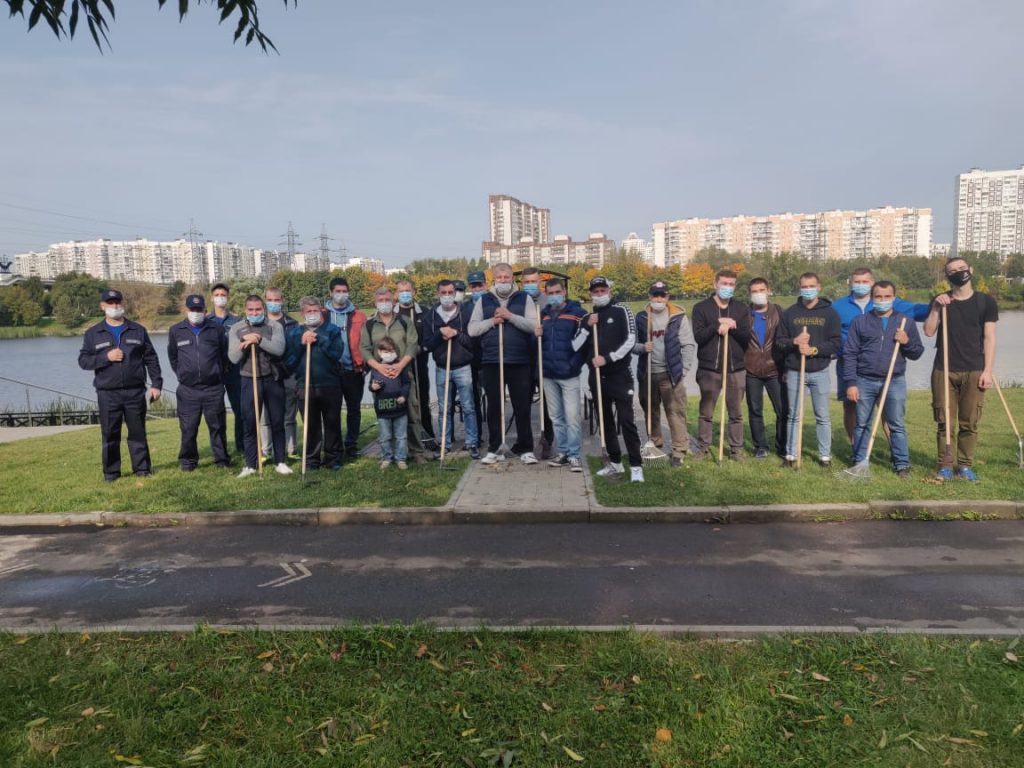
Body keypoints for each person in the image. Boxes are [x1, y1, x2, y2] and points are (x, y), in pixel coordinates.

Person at [923, 256, 999, 482]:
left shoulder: (986, 302)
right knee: (944, 420)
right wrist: (936, 307)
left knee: (970, 421)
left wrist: (988, 370)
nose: (958, 273)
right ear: (947, 276)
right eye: (952, 271)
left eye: (962, 268)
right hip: (944, 369)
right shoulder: (942, 301)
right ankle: (945, 464)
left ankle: (965, 465)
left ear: (970, 270)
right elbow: (928, 331)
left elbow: (990, 338)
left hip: (974, 369)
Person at [833, 267, 929, 442]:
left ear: (872, 282)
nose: (861, 285)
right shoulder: (838, 306)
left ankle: (894, 447)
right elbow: (827, 332)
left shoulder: (885, 300)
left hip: (883, 366)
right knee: (850, 406)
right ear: (850, 283)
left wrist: (939, 304)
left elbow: (918, 310)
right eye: (857, 282)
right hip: (849, 363)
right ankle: (855, 446)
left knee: (886, 407)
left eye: (865, 281)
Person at [78, 288, 163, 482]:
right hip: (108, 393)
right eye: (110, 303)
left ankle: (142, 469)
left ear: (123, 304)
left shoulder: (138, 330)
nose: (115, 306)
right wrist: (105, 357)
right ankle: (111, 473)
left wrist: (156, 384)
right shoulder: (93, 333)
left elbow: (151, 359)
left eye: (118, 303)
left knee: (137, 433)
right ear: (103, 306)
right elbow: (83, 361)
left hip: (135, 391)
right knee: (110, 434)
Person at [843, 281, 924, 478]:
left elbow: (917, 352)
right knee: (862, 423)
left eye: (887, 297)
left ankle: (902, 464)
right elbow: (850, 353)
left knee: (896, 423)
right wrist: (851, 383)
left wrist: (906, 342)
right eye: (878, 297)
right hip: (865, 379)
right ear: (872, 298)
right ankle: (860, 460)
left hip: (894, 380)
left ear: (894, 298)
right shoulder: (860, 322)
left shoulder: (905, 322)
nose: (882, 300)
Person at [468, 262, 539, 465]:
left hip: (519, 361)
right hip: (492, 361)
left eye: (506, 277)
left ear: (512, 279)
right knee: (494, 407)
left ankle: (526, 447)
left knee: (522, 406)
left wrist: (510, 317)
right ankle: (495, 448)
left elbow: (534, 326)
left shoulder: (524, 298)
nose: (503, 281)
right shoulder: (484, 300)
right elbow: (472, 329)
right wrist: (492, 321)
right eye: (499, 278)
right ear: (493, 280)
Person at [581, 276, 644, 481]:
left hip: (620, 375)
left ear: (609, 291)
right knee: (605, 421)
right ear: (590, 294)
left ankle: (636, 465)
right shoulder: (590, 317)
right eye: (595, 291)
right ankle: (615, 463)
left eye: (602, 290)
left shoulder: (622, 310)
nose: (599, 294)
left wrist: (607, 358)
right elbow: (578, 345)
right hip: (598, 378)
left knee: (626, 420)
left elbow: (631, 340)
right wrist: (587, 326)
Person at [776, 272, 842, 468]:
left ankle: (825, 456)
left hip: (820, 371)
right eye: (804, 286)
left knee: (822, 415)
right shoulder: (790, 313)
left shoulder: (830, 313)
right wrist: (794, 342)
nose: (807, 290)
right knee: (794, 415)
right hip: (796, 371)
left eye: (811, 286)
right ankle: (790, 454)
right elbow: (779, 342)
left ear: (819, 287)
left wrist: (814, 350)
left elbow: (836, 343)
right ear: (800, 288)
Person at [227, 294, 291, 478]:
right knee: (249, 423)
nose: (254, 313)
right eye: (251, 310)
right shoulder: (237, 328)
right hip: (249, 379)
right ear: (245, 311)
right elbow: (232, 358)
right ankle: (250, 464)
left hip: (272, 378)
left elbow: (279, 349)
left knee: (277, 421)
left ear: (263, 309)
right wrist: (245, 342)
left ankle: (280, 461)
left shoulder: (274, 326)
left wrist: (259, 340)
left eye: (258, 309)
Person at [691, 269, 751, 460]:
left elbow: (746, 337)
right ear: (715, 284)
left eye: (731, 284)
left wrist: (733, 326)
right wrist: (717, 324)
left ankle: (735, 449)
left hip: (736, 368)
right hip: (710, 369)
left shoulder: (741, 309)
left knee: (736, 412)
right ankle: (703, 447)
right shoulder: (701, 308)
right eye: (724, 283)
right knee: (706, 411)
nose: (727, 287)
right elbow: (699, 337)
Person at [360, 286, 424, 462]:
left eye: (387, 300)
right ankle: (390, 453)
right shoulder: (370, 324)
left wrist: (400, 366)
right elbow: (364, 349)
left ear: (393, 301)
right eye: (380, 300)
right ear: (375, 302)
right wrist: (379, 368)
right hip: (380, 379)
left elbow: (412, 344)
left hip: (403, 375)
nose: (384, 303)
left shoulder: (404, 322)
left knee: (411, 413)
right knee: (386, 416)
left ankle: (416, 451)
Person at [635, 280, 696, 466]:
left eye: (662, 295)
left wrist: (683, 370)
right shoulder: (642, 317)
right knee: (650, 411)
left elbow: (688, 345)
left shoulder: (678, 317)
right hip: (648, 373)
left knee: (675, 412)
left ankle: (679, 450)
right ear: (649, 296)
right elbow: (632, 344)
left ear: (668, 297)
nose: (658, 299)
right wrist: (641, 347)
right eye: (655, 295)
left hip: (670, 375)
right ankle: (655, 443)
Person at [167, 294, 230, 472]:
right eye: (192, 309)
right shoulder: (176, 330)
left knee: (217, 426)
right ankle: (188, 462)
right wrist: (183, 373)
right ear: (186, 310)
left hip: (213, 388)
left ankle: (221, 460)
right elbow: (173, 356)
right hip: (188, 390)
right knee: (188, 428)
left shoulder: (216, 329)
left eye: (199, 309)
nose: (196, 312)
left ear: (205, 309)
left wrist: (217, 373)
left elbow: (224, 356)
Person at [421, 279, 480, 459]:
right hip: (442, 368)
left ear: (455, 293)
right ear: (438, 294)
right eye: (443, 293)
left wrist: (456, 334)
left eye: (450, 292)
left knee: (468, 407)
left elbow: (472, 343)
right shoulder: (430, 316)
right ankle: (445, 444)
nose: (447, 296)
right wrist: (440, 334)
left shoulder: (466, 313)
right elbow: (426, 345)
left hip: (463, 367)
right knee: (443, 408)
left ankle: (472, 443)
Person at [286, 296, 345, 471]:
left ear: (321, 312)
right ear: (302, 313)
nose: (312, 314)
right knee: (311, 425)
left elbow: (337, 354)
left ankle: (333, 458)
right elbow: (289, 361)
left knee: (332, 422)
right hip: (305, 386)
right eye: (308, 311)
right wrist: (302, 343)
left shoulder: (332, 330)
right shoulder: (295, 333)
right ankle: (312, 460)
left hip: (330, 384)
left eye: (315, 311)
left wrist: (319, 339)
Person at [536, 277, 588, 471]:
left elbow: (584, 344)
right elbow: (539, 346)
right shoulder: (544, 315)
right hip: (548, 374)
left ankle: (575, 455)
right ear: (546, 294)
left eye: (558, 292)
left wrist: (573, 365)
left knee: (572, 417)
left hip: (569, 374)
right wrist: (537, 336)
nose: (555, 296)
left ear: (564, 292)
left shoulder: (577, 314)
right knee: (556, 417)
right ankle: (563, 452)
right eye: (550, 293)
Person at [744, 277, 788, 459]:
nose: (758, 294)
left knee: (782, 409)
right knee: (755, 410)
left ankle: (782, 445)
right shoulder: (744, 314)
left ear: (768, 290)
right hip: (751, 369)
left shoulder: (779, 312)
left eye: (761, 290)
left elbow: (786, 338)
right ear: (749, 294)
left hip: (774, 368)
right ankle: (760, 446)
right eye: (754, 291)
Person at [325, 277, 367, 460]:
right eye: (338, 291)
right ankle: (334, 446)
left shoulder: (359, 315)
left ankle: (351, 444)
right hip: (330, 371)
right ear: (331, 293)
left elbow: (366, 342)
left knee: (354, 409)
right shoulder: (322, 315)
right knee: (331, 411)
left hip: (353, 370)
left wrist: (364, 366)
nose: (341, 295)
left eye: (344, 291)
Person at [396, 279, 436, 449]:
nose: (405, 293)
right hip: (399, 367)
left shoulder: (424, 312)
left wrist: (422, 348)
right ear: (396, 293)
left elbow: (432, 338)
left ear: (413, 292)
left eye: (408, 290)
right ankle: (404, 441)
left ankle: (428, 438)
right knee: (402, 402)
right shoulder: (392, 314)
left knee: (422, 401)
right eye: (401, 291)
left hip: (419, 364)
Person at [520, 266, 555, 458]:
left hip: (543, 359)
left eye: (534, 281)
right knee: (522, 404)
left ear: (540, 282)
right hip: (523, 360)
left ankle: (547, 440)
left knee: (547, 404)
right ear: (522, 283)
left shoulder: (548, 302)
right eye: (527, 282)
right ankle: (524, 443)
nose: (530, 285)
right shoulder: (518, 300)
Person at [261, 286, 299, 460]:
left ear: (282, 300)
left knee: (289, 415)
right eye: (270, 300)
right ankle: (266, 451)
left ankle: (290, 449)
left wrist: (288, 367)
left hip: (288, 374)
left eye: (276, 300)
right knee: (266, 416)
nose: (273, 303)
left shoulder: (292, 324)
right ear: (265, 301)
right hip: (266, 375)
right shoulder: (259, 324)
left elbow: (296, 350)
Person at [209, 281, 243, 454]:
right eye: (217, 295)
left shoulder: (237, 320)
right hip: (214, 374)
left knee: (240, 410)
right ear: (212, 298)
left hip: (234, 373)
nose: (220, 298)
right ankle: (220, 451)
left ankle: (242, 446)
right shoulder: (207, 321)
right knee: (216, 413)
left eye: (223, 295)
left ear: (228, 298)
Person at [369, 336, 411, 469]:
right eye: (386, 351)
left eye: (392, 351)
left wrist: (404, 396)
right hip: (382, 410)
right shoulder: (376, 369)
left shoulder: (400, 367)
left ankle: (401, 458)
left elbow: (406, 383)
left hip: (399, 408)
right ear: (380, 352)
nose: (389, 354)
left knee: (401, 436)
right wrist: (373, 387)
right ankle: (387, 457)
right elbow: (371, 385)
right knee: (385, 436)